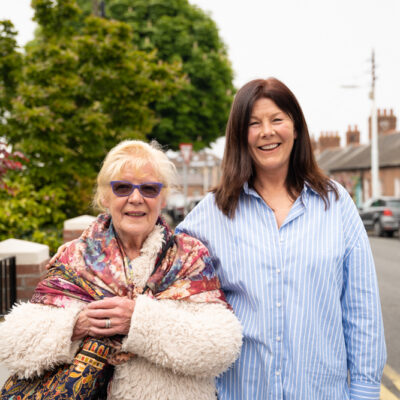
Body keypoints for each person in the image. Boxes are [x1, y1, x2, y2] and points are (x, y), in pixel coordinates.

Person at [176, 77, 387, 399]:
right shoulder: (211, 213)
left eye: (277, 119)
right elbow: (169, 286)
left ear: (296, 127)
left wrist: (365, 390)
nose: (267, 132)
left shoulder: (336, 203)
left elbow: (361, 309)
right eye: (253, 123)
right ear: (239, 136)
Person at [0, 140, 242, 400]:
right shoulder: (75, 256)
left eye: (149, 189)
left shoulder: (189, 256)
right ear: (105, 196)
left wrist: (139, 321)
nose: (136, 199)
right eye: (122, 188)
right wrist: (74, 325)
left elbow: (221, 345)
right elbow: (15, 344)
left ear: (162, 197)